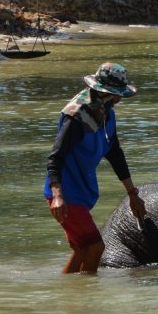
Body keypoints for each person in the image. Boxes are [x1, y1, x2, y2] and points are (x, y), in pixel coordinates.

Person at [44, 62, 146, 273]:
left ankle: (72, 297)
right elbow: (55, 158)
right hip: (66, 193)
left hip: (82, 191)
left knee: (82, 249)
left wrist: (132, 194)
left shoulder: (106, 113)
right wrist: (57, 196)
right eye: (116, 95)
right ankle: (88, 296)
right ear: (104, 93)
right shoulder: (77, 116)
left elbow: (115, 153)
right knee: (96, 247)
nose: (118, 99)